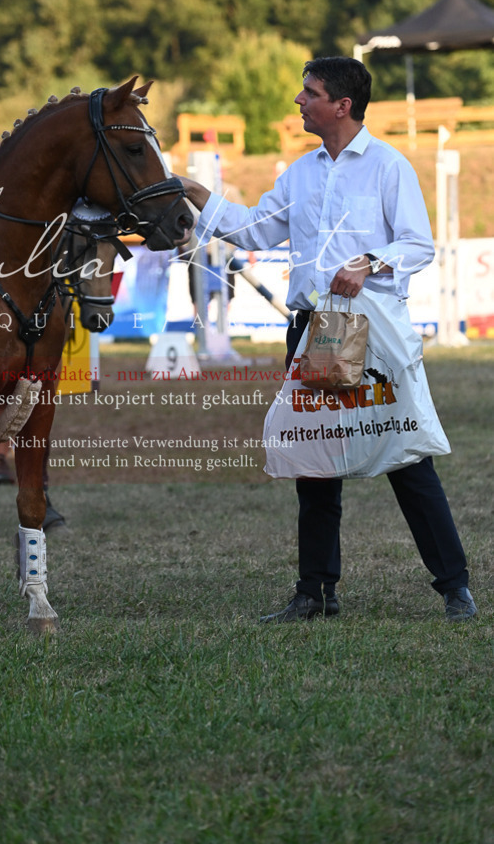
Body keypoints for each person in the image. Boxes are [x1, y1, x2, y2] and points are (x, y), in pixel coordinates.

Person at [181, 56, 477, 624]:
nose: (299, 101)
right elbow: (255, 230)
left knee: (406, 457)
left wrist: (370, 261)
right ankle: (315, 592)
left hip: (372, 332)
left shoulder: (390, 167)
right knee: (314, 457)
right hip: (314, 332)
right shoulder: (300, 173)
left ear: (341, 105)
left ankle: (455, 586)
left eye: (309, 92)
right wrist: (198, 193)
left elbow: (418, 245)